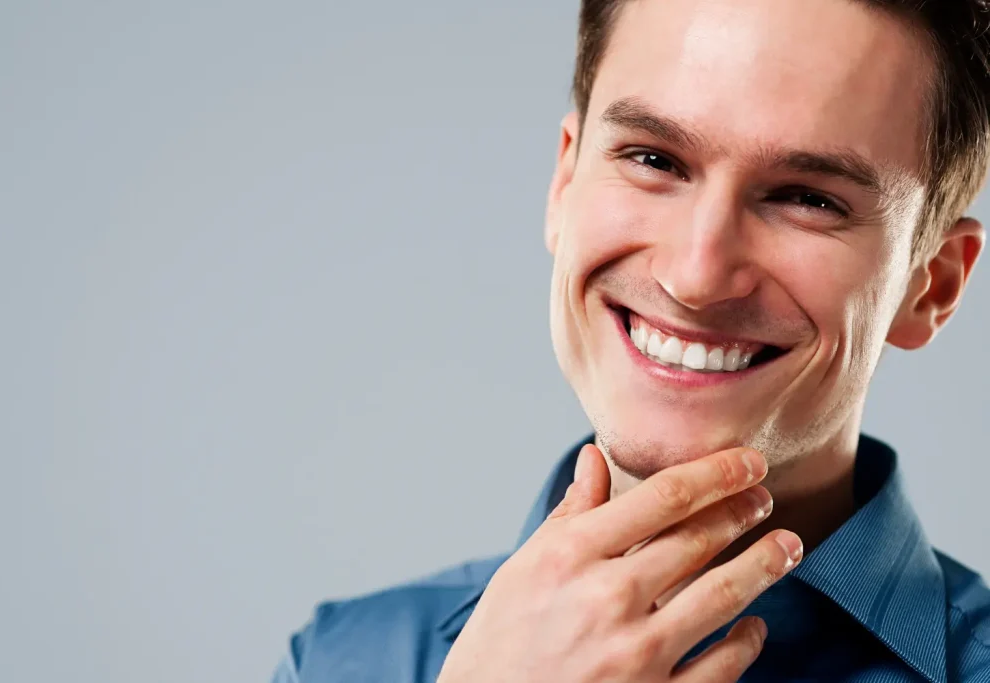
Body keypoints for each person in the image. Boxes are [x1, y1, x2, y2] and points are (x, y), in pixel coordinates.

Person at [273, 0, 990, 680]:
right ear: (564, 182)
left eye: (809, 199)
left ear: (931, 286)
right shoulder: (337, 663)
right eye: (653, 160)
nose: (695, 276)